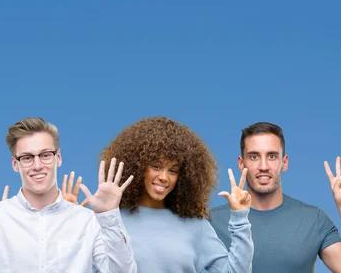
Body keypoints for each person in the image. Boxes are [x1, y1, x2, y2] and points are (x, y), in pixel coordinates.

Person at [0, 117, 137, 273]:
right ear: (15, 164)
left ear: (58, 158)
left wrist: (110, 216)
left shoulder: (87, 221)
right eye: (27, 157)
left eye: (45, 155)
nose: (37, 165)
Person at [94, 116, 254, 272]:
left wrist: (240, 218)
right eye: (156, 166)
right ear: (138, 167)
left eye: (172, 170)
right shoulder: (109, 220)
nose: (164, 177)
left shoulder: (197, 226)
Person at [209, 122, 341, 273]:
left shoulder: (314, 219)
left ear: (284, 162)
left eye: (272, 156)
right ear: (241, 163)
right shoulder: (212, 222)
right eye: (254, 156)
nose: (263, 166)